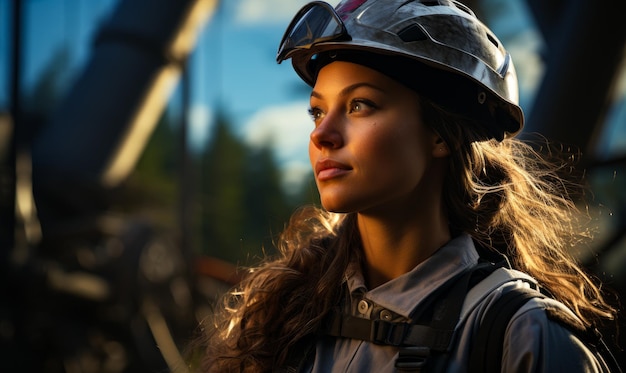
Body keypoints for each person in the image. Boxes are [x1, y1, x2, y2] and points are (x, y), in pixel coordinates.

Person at [194, 0, 619, 372]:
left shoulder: (521, 334)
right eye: (317, 112)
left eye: (360, 105)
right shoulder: (285, 314)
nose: (322, 135)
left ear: (441, 133)